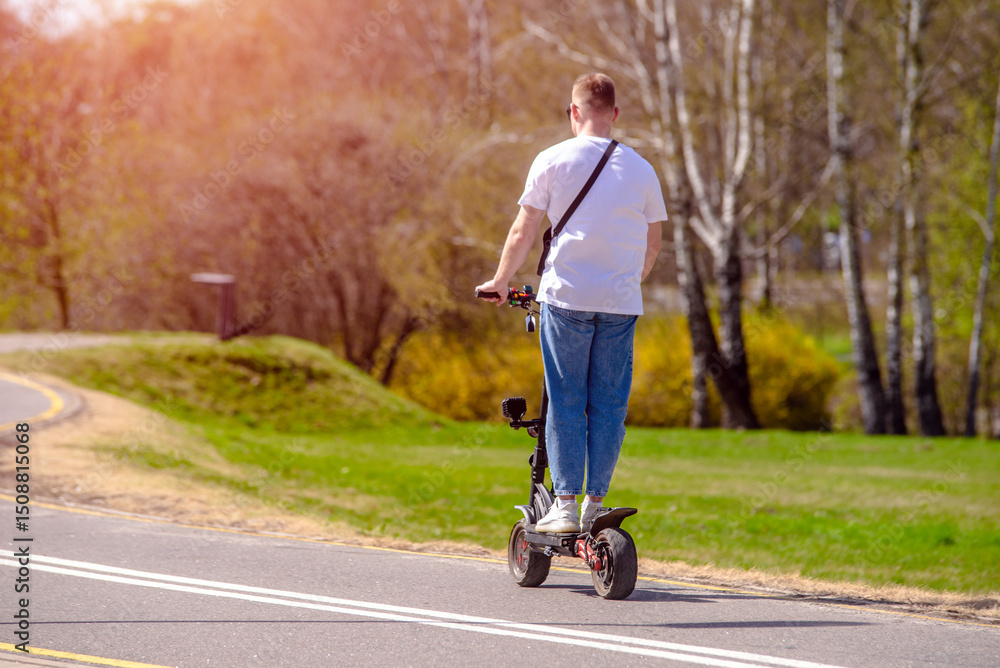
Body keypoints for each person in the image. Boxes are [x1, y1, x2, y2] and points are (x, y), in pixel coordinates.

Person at [475, 73, 667, 533]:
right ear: (614, 113)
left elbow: (524, 229)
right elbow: (653, 242)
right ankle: (595, 503)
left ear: (574, 112)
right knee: (609, 405)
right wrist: (627, 283)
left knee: (566, 400)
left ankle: (563, 504)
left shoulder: (552, 159)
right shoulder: (641, 168)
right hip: (621, 303)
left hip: (567, 296)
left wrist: (501, 280)